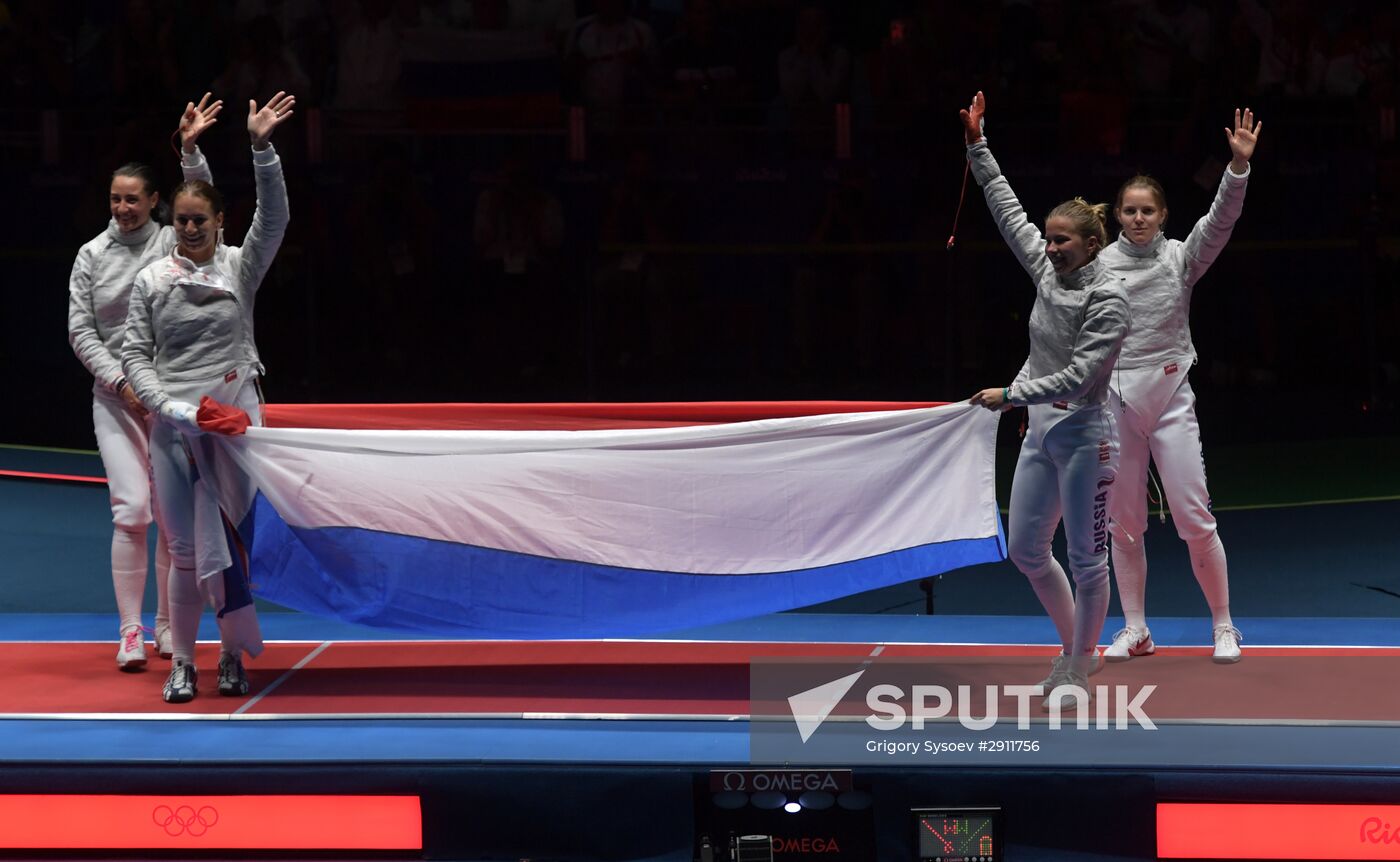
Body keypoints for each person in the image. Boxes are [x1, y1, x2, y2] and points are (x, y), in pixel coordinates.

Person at [122, 91, 296, 704]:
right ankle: (184, 664)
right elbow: (134, 357)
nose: (192, 227)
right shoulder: (152, 280)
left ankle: (229, 658)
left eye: (204, 219)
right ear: (172, 222)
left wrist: (262, 149)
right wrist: (172, 409)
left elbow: (272, 220)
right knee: (186, 550)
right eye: (184, 219)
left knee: (232, 541)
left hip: (234, 425)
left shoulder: (237, 269)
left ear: (220, 223)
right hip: (176, 427)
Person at [960, 91, 1130, 707]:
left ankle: (1080, 665)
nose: (1052, 249)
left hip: (1087, 436)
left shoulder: (1109, 299)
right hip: (1039, 434)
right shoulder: (1048, 271)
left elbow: (1082, 378)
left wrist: (1010, 394)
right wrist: (979, 146)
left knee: (1087, 560)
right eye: (1050, 241)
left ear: (1090, 243)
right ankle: (1075, 650)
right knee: (1029, 550)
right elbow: (1009, 214)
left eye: (1064, 242)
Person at [1099, 108, 1261, 665]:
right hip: (1116, 405)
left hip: (1170, 401)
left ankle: (1224, 626)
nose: (1139, 218)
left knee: (1194, 518)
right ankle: (1137, 629)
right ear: (1118, 216)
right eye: (1130, 211)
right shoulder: (1097, 267)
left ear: (1163, 215)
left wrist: (1237, 167)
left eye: (1148, 210)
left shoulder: (1178, 259)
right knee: (1123, 525)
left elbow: (1218, 223)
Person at [67, 94, 223, 672]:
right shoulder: (91, 255)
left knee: (172, 516)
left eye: (134, 199)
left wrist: (190, 152)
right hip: (116, 401)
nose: (124, 208)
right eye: (116, 199)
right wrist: (120, 381)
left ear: (154, 202)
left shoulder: (168, 242)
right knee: (131, 510)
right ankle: (130, 630)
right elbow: (81, 331)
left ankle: (164, 625)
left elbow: (199, 202)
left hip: (170, 400)